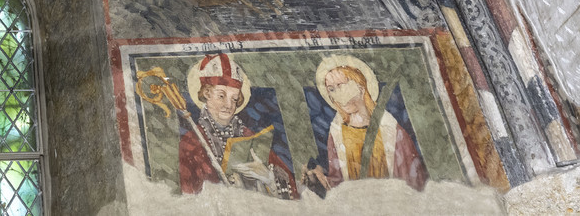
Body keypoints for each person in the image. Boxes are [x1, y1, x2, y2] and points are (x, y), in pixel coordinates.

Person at [177, 52, 296, 197]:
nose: (229, 105)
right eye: (221, 96)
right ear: (207, 94)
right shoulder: (192, 141)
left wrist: (268, 177)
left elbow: (288, 191)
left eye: (234, 99)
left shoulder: (248, 136)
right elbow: (190, 195)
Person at [304, 56, 427, 192]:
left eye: (341, 85)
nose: (338, 94)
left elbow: (411, 176)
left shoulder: (391, 130)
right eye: (331, 89)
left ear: (361, 86)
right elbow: (339, 182)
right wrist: (321, 180)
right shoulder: (337, 133)